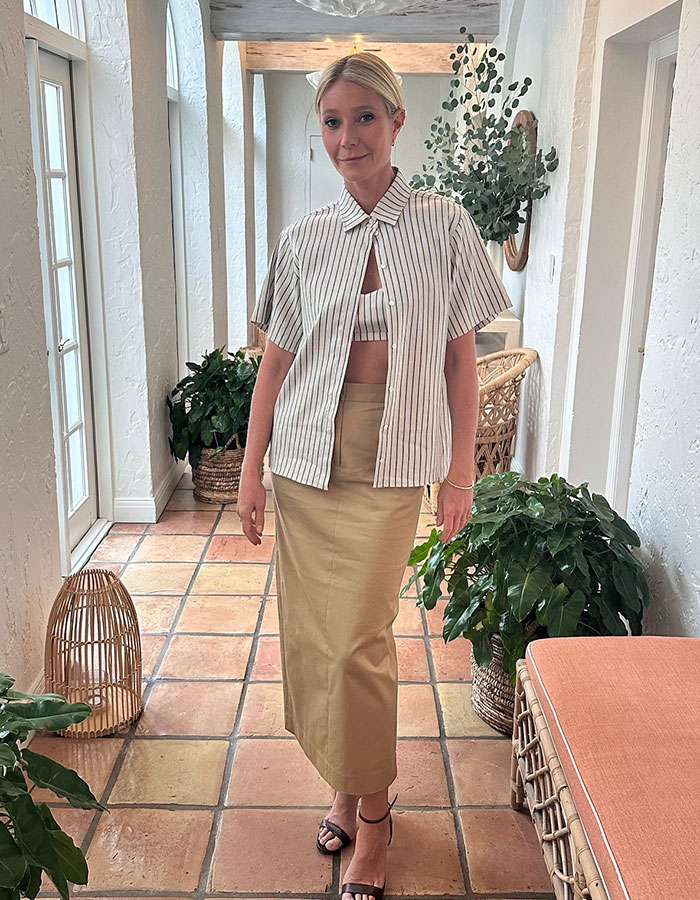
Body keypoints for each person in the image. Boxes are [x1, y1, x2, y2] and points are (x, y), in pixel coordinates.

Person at [237, 52, 511, 900]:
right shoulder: (303, 238)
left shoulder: (444, 223)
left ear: (396, 122)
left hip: (394, 458)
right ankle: (346, 789)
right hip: (306, 459)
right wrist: (250, 469)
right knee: (318, 640)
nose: (346, 137)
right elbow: (274, 367)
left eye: (363, 118)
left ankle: (378, 817)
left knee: (360, 639)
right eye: (330, 121)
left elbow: (463, 362)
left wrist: (460, 470)